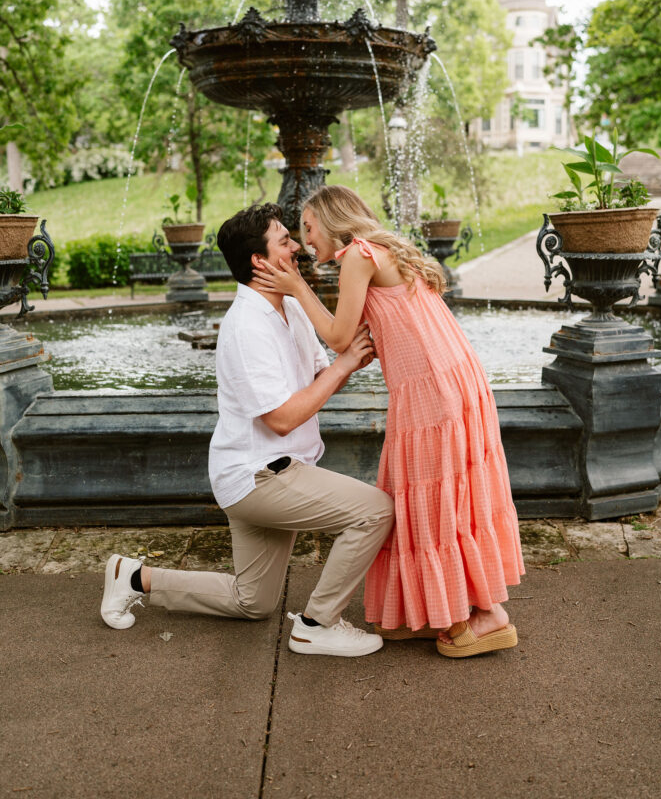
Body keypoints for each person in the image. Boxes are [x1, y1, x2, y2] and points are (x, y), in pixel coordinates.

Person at [100, 202, 394, 658]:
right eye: (284, 241)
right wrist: (345, 365)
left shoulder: (291, 308)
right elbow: (279, 419)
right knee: (375, 511)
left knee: (252, 601)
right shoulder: (245, 327)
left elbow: (323, 374)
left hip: (272, 470)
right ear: (260, 261)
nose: (296, 246)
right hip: (260, 477)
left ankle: (133, 576)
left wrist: (348, 359)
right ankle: (319, 623)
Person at [252, 185, 525, 658]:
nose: (305, 240)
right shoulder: (376, 250)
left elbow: (340, 338)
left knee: (440, 500)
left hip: (432, 392)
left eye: (309, 228)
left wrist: (296, 289)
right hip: (447, 381)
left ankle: (487, 616)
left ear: (333, 221)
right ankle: (447, 608)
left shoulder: (358, 255)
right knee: (440, 497)